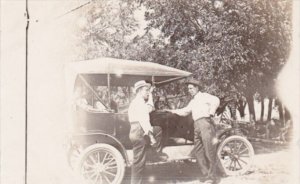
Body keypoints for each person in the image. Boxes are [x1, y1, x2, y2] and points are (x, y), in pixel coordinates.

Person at [164, 78, 224, 184]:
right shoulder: (193, 101)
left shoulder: (205, 96)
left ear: (197, 88)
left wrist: (211, 112)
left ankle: (212, 178)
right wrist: (171, 111)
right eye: (188, 89)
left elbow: (216, 100)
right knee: (198, 151)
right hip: (196, 125)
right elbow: (185, 111)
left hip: (205, 124)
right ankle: (206, 175)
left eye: (191, 88)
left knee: (209, 151)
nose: (189, 90)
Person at [128, 80, 167, 184]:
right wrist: (151, 137)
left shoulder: (136, 102)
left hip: (134, 131)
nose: (148, 92)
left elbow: (150, 109)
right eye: (146, 90)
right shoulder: (139, 103)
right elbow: (144, 121)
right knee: (138, 162)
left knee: (138, 161)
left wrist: (150, 96)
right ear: (140, 91)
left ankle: (154, 153)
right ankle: (156, 153)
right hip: (139, 131)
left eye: (149, 91)